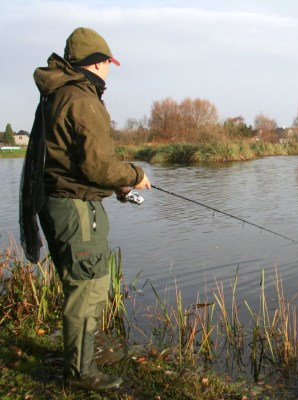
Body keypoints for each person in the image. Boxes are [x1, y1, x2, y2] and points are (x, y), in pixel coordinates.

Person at [21, 27, 151, 391]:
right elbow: (98, 166)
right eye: (109, 62)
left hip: (65, 203)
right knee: (87, 286)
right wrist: (135, 175)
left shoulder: (59, 93)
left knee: (87, 281)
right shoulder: (82, 99)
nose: (110, 69)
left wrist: (119, 186)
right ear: (97, 63)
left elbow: (78, 163)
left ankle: (85, 353)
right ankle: (81, 372)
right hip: (75, 210)